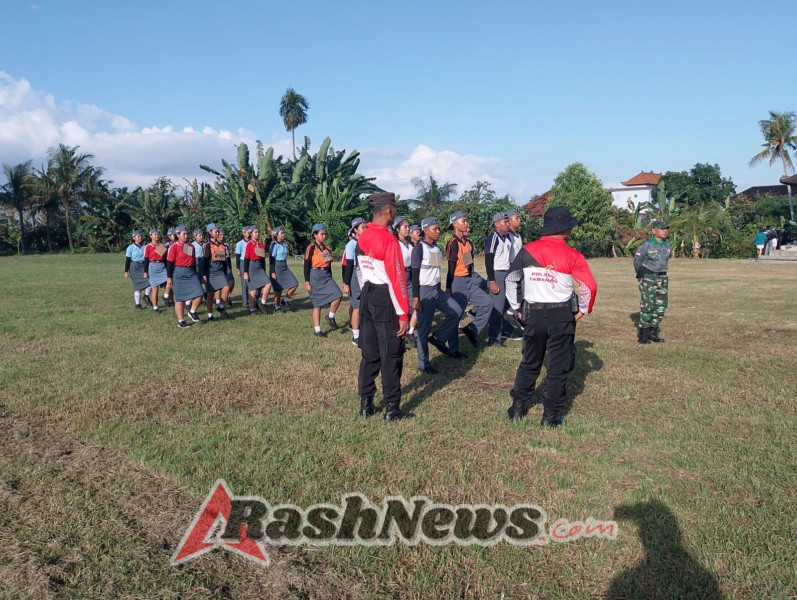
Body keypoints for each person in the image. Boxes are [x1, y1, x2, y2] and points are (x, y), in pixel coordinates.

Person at [505, 206, 597, 426]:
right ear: (564, 229)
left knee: (529, 362)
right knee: (557, 369)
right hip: (561, 315)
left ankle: (517, 408)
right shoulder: (573, 254)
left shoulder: (527, 250)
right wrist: (582, 311)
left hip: (533, 314)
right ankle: (549, 417)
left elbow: (511, 279)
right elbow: (589, 287)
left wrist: (517, 307)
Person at [356, 192, 413, 420]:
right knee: (391, 354)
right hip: (385, 297)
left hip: (368, 294)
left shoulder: (363, 235)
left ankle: (366, 403)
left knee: (370, 352)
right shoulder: (389, 241)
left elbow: (360, 269)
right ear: (389, 211)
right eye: (395, 209)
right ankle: (392, 408)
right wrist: (403, 315)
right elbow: (397, 280)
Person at [411, 217, 465, 374]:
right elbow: (415, 275)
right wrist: (416, 297)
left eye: (438, 228)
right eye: (434, 229)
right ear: (425, 231)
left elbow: (435, 270)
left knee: (456, 311)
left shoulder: (436, 248)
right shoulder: (419, 249)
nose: (438, 231)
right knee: (424, 329)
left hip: (437, 290)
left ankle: (438, 338)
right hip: (424, 291)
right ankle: (424, 364)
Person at [445, 211, 493, 348]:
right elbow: (450, 268)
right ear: (455, 224)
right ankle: (453, 348)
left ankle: (472, 329)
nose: (467, 224)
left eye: (467, 221)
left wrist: (472, 279)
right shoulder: (453, 243)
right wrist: (448, 287)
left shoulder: (468, 243)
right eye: (463, 221)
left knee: (487, 303)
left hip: (468, 280)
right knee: (457, 315)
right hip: (457, 282)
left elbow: (469, 264)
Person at [633, 219, 671, 344]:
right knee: (648, 306)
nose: (664, 231)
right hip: (649, 277)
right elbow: (637, 261)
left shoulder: (667, 245)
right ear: (654, 231)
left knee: (661, 306)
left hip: (663, 278)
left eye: (666, 228)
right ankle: (643, 335)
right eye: (661, 228)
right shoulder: (646, 245)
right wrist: (642, 276)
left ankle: (653, 332)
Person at [304, 224, 343, 336]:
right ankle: (317, 330)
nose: (324, 236)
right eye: (322, 234)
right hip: (314, 275)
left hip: (326, 275)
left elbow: (329, 265)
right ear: (315, 235)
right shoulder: (311, 247)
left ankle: (330, 316)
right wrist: (307, 282)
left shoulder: (327, 249)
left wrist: (330, 277)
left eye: (325, 234)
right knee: (317, 304)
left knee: (338, 295)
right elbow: (306, 265)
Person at [166, 225, 205, 328]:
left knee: (199, 293)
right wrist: (169, 277)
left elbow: (192, 261)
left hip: (190, 272)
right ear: (178, 235)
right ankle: (181, 321)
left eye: (187, 234)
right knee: (180, 298)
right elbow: (169, 263)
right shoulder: (174, 247)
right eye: (184, 234)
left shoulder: (190, 246)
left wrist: (196, 273)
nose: (186, 236)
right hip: (178, 273)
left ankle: (192, 311)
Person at [484, 211, 513, 346]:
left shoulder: (507, 238)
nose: (508, 224)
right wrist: (492, 281)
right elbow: (488, 261)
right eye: (505, 222)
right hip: (497, 274)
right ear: (496, 224)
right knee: (497, 308)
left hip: (507, 273)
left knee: (507, 304)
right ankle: (494, 338)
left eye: (508, 221)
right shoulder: (493, 238)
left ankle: (505, 331)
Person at [393, 215, 419, 347]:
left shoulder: (409, 244)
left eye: (409, 227)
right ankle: (400, 335)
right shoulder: (395, 243)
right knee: (401, 306)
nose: (408, 229)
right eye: (405, 227)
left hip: (411, 275)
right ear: (397, 229)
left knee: (416, 304)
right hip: (400, 275)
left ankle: (410, 331)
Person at [342, 217, 367, 346]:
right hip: (355, 275)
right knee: (357, 306)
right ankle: (356, 336)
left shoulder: (366, 242)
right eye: (363, 227)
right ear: (355, 230)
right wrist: (346, 283)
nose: (365, 230)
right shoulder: (351, 244)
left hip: (365, 274)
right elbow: (349, 265)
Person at [203, 223, 230, 321]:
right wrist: (204, 275)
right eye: (216, 231)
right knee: (210, 295)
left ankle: (221, 307)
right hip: (211, 271)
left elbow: (224, 260)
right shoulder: (207, 245)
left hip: (220, 270)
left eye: (218, 231)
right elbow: (205, 260)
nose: (218, 233)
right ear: (210, 232)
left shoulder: (222, 245)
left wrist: (225, 255)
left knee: (226, 287)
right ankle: (210, 315)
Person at [269, 226, 299, 312]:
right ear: (276, 235)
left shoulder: (285, 244)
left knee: (294, 284)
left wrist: (285, 266)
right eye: (281, 233)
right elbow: (271, 259)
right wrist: (272, 272)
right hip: (276, 266)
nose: (283, 235)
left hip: (284, 266)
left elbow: (285, 258)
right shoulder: (274, 244)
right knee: (278, 289)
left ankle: (285, 300)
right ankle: (277, 307)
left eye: (283, 233)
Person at [243, 226, 271, 315]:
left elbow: (262, 259)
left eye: (258, 232)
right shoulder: (249, 244)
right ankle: (252, 309)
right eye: (255, 232)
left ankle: (262, 302)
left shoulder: (261, 245)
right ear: (251, 234)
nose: (257, 234)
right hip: (251, 266)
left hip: (259, 266)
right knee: (253, 290)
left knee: (268, 283)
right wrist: (246, 272)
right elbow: (246, 259)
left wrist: (263, 270)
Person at [124, 230, 150, 310]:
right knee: (137, 286)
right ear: (134, 238)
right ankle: (137, 304)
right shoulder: (130, 248)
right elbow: (127, 260)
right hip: (134, 266)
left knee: (150, 282)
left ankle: (146, 296)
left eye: (141, 236)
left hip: (143, 266)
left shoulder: (144, 247)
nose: (140, 238)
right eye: (138, 236)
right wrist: (126, 271)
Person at [143, 228, 168, 311]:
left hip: (161, 265)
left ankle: (166, 296)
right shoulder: (148, 247)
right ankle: (155, 306)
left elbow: (165, 259)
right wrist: (145, 271)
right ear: (151, 236)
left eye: (157, 234)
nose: (156, 236)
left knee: (169, 282)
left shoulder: (162, 246)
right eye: (155, 234)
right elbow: (146, 259)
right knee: (155, 288)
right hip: (152, 266)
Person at [235, 226, 251, 307]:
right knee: (244, 284)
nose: (249, 234)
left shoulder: (252, 242)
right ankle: (245, 303)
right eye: (248, 232)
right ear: (243, 233)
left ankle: (253, 301)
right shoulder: (240, 244)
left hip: (251, 262)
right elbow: (237, 257)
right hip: (243, 262)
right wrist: (238, 268)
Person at [218, 228, 235, 304]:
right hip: (219, 266)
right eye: (220, 234)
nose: (222, 236)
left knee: (231, 281)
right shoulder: (215, 244)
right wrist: (222, 253)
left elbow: (228, 257)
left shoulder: (226, 245)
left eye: (223, 234)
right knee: (221, 285)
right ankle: (219, 300)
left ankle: (228, 296)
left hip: (227, 266)